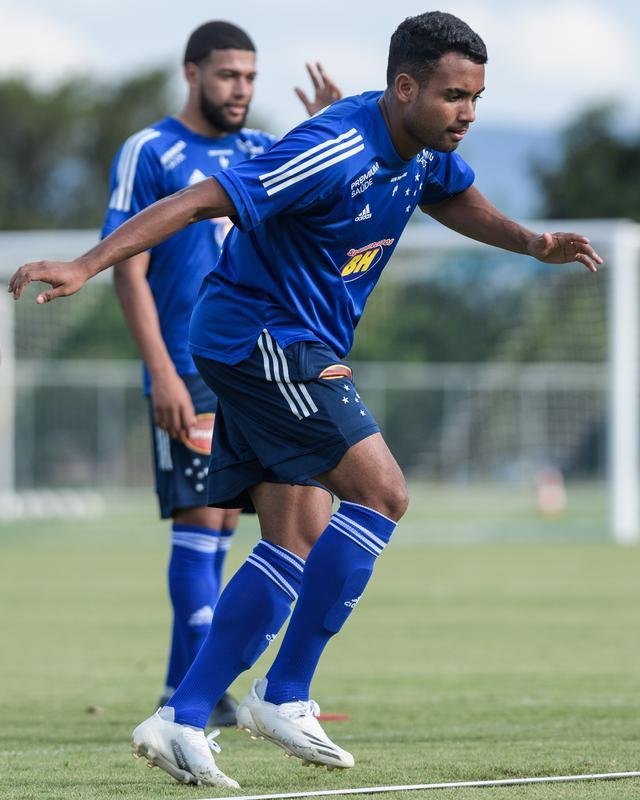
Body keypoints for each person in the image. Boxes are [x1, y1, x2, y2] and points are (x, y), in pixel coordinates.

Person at [9, 11, 602, 790]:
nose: (468, 113)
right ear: (403, 87)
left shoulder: (423, 150)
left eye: (478, 98)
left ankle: (182, 717)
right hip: (258, 337)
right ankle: (282, 693)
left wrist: (530, 242)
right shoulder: (333, 147)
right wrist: (88, 265)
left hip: (280, 342)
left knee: (298, 536)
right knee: (383, 492)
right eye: (455, 96)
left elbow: (452, 197)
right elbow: (198, 202)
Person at [102, 21, 342, 727]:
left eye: (250, 77)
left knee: (239, 531)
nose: (241, 89)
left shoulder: (256, 149)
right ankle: (197, 698)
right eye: (228, 75)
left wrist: (323, 125)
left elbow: (303, 206)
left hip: (251, 363)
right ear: (192, 73)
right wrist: (163, 375)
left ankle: (189, 689)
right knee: (201, 525)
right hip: (185, 363)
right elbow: (127, 267)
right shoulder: (150, 151)